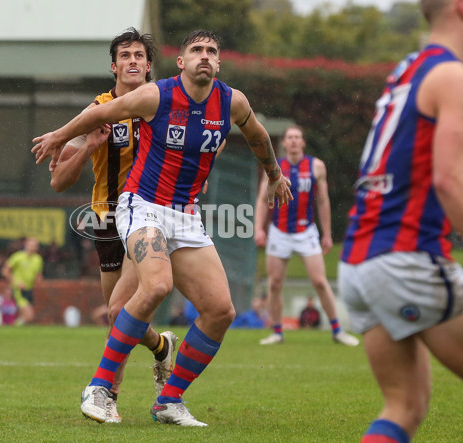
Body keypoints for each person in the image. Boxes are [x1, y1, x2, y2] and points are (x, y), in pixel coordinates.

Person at [32, 29, 293, 426]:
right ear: (181, 62)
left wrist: (274, 174)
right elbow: (99, 114)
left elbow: (256, 136)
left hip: (186, 215)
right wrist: (60, 136)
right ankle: (100, 388)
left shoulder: (232, 101)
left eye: (212, 51)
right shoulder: (157, 95)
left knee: (220, 310)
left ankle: (169, 400)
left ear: (219, 63)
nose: (204, 56)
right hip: (140, 206)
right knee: (155, 286)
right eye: (196, 50)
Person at [338, 1, 463, 441]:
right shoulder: (452, 76)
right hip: (405, 259)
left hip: (359, 262)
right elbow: (449, 180)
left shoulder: (409, 69)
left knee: (405, 405)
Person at [48, 28, 178, 423]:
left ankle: (108, 397)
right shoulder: (98, 110)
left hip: (150, 217)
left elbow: (210, 139)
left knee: (119, 313)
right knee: (119, 314)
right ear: (114, 65)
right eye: (126, 55)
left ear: (149, 65)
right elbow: (58, 181)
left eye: (140, 55)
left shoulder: (166, 105)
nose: (133, 61)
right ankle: (161, 348)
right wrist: (88, 145)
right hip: (106, 219)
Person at [255, 125, 359, 347]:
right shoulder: (274, 166)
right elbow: (263, 199)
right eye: (290, 138)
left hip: (306, 231)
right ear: (284, 143)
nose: (293, 141)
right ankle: (277, 332)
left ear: (303, 142)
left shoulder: (316, 166)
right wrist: (258, 228)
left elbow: (322, 201)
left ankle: (338, 331)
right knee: (274, 284)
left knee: (320, 282)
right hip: (279, 230)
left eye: (297, 137)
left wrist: (327, 234)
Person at [1, 237, 43, 324]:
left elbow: (38, 275)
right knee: (29, 315)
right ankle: (14, 326)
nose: (33, 247)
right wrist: (16, 282)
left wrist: (38, 280)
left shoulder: (38, 259)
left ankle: (14, 326)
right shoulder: (18, 257)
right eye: (31, 245)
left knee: (23, 315)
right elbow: (5, 271)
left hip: (29, 290)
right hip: (18, 290)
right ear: (26, 245)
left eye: (35, 246)